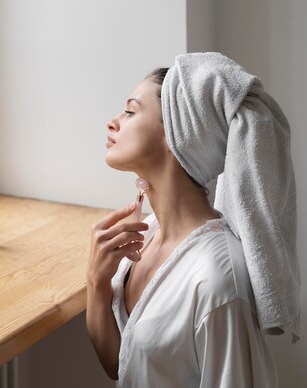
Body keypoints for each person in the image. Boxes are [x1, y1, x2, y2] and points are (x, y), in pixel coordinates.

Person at [86, 53, 298, 387]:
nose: (112, 122)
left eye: (130, 111)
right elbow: (123, 366)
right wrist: (97, 283)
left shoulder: (217, 282)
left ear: (176, 134)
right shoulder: (148, 233)